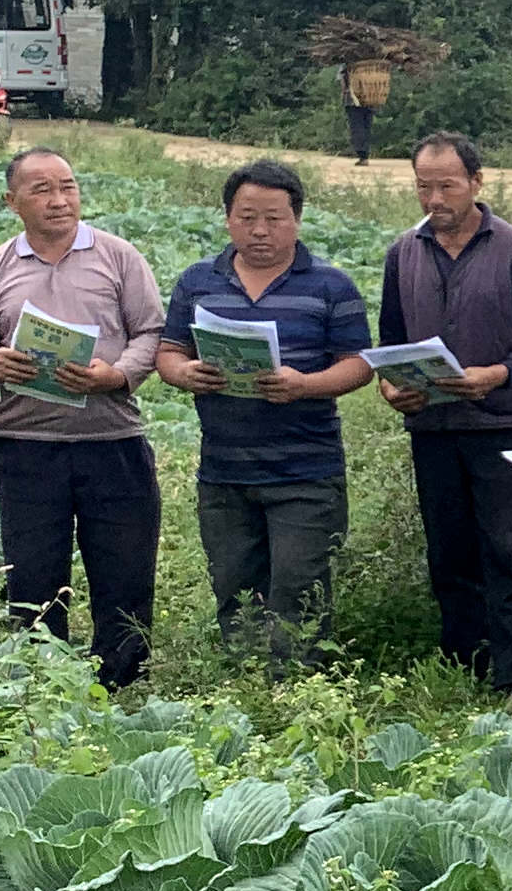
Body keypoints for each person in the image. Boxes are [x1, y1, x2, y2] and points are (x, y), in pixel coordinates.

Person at [0, 146, 166, 689]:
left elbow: (150, 333)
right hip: (27, 446)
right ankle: (43, 682)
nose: (58, 200)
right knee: (33, 572)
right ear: (12, 202)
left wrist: (116, 375)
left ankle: (120, 681)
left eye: (67, 187)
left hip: (111, 440)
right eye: (41, 190)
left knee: (123, 568)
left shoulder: (119, 257)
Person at [157, 161, 373, 665]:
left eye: (274, 218)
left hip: (305, 470)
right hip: (224, 470)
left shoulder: (330, 286)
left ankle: (299, 689)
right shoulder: (197, 282)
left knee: (299, 591)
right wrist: (185, 373)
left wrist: (305, 385)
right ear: (228, 218)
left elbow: (359, 365)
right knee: (234, 588)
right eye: (247, 216)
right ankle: (249, 684)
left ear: (297, 219)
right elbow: (168, 352)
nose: (259, 230)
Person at [376, 131, 512, 692]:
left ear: (477, 184)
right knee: (449, 551)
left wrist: (497, 374)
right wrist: (391, 390)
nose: (434, 199)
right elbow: (390, 341)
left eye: (447, 186)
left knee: (510, 550)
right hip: (433, 424)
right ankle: (466, 666)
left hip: (503, 423)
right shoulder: (402, 253)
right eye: (423, 187)